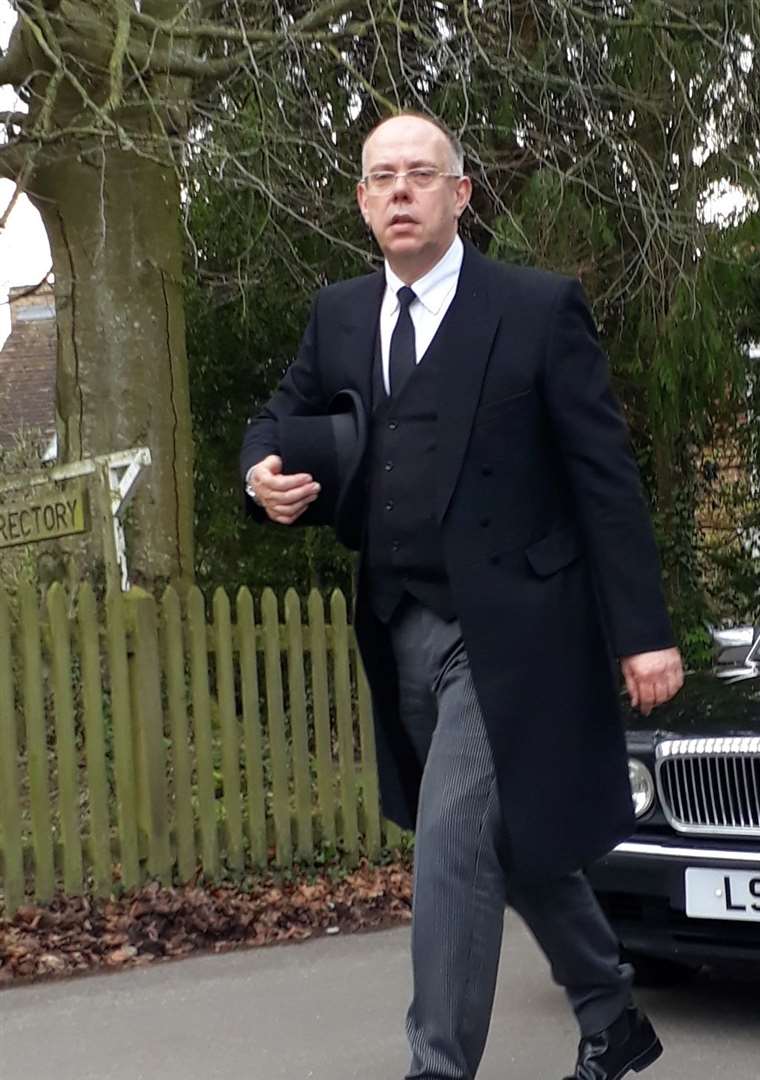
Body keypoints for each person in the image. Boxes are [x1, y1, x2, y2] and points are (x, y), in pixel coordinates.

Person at [240, 111, 681, 1080]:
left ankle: (434, 1069)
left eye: (419, 175)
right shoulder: (342, 315)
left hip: (515, 636)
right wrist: (259, 473)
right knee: (513, 840)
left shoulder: (535, 309)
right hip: (401, 625)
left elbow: (604, 477)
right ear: (361, 202)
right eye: (380, 178)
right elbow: (280, 412)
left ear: (459, 195)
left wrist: (641, 635)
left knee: (450, 850)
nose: (400, 192)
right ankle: (612, 1018)